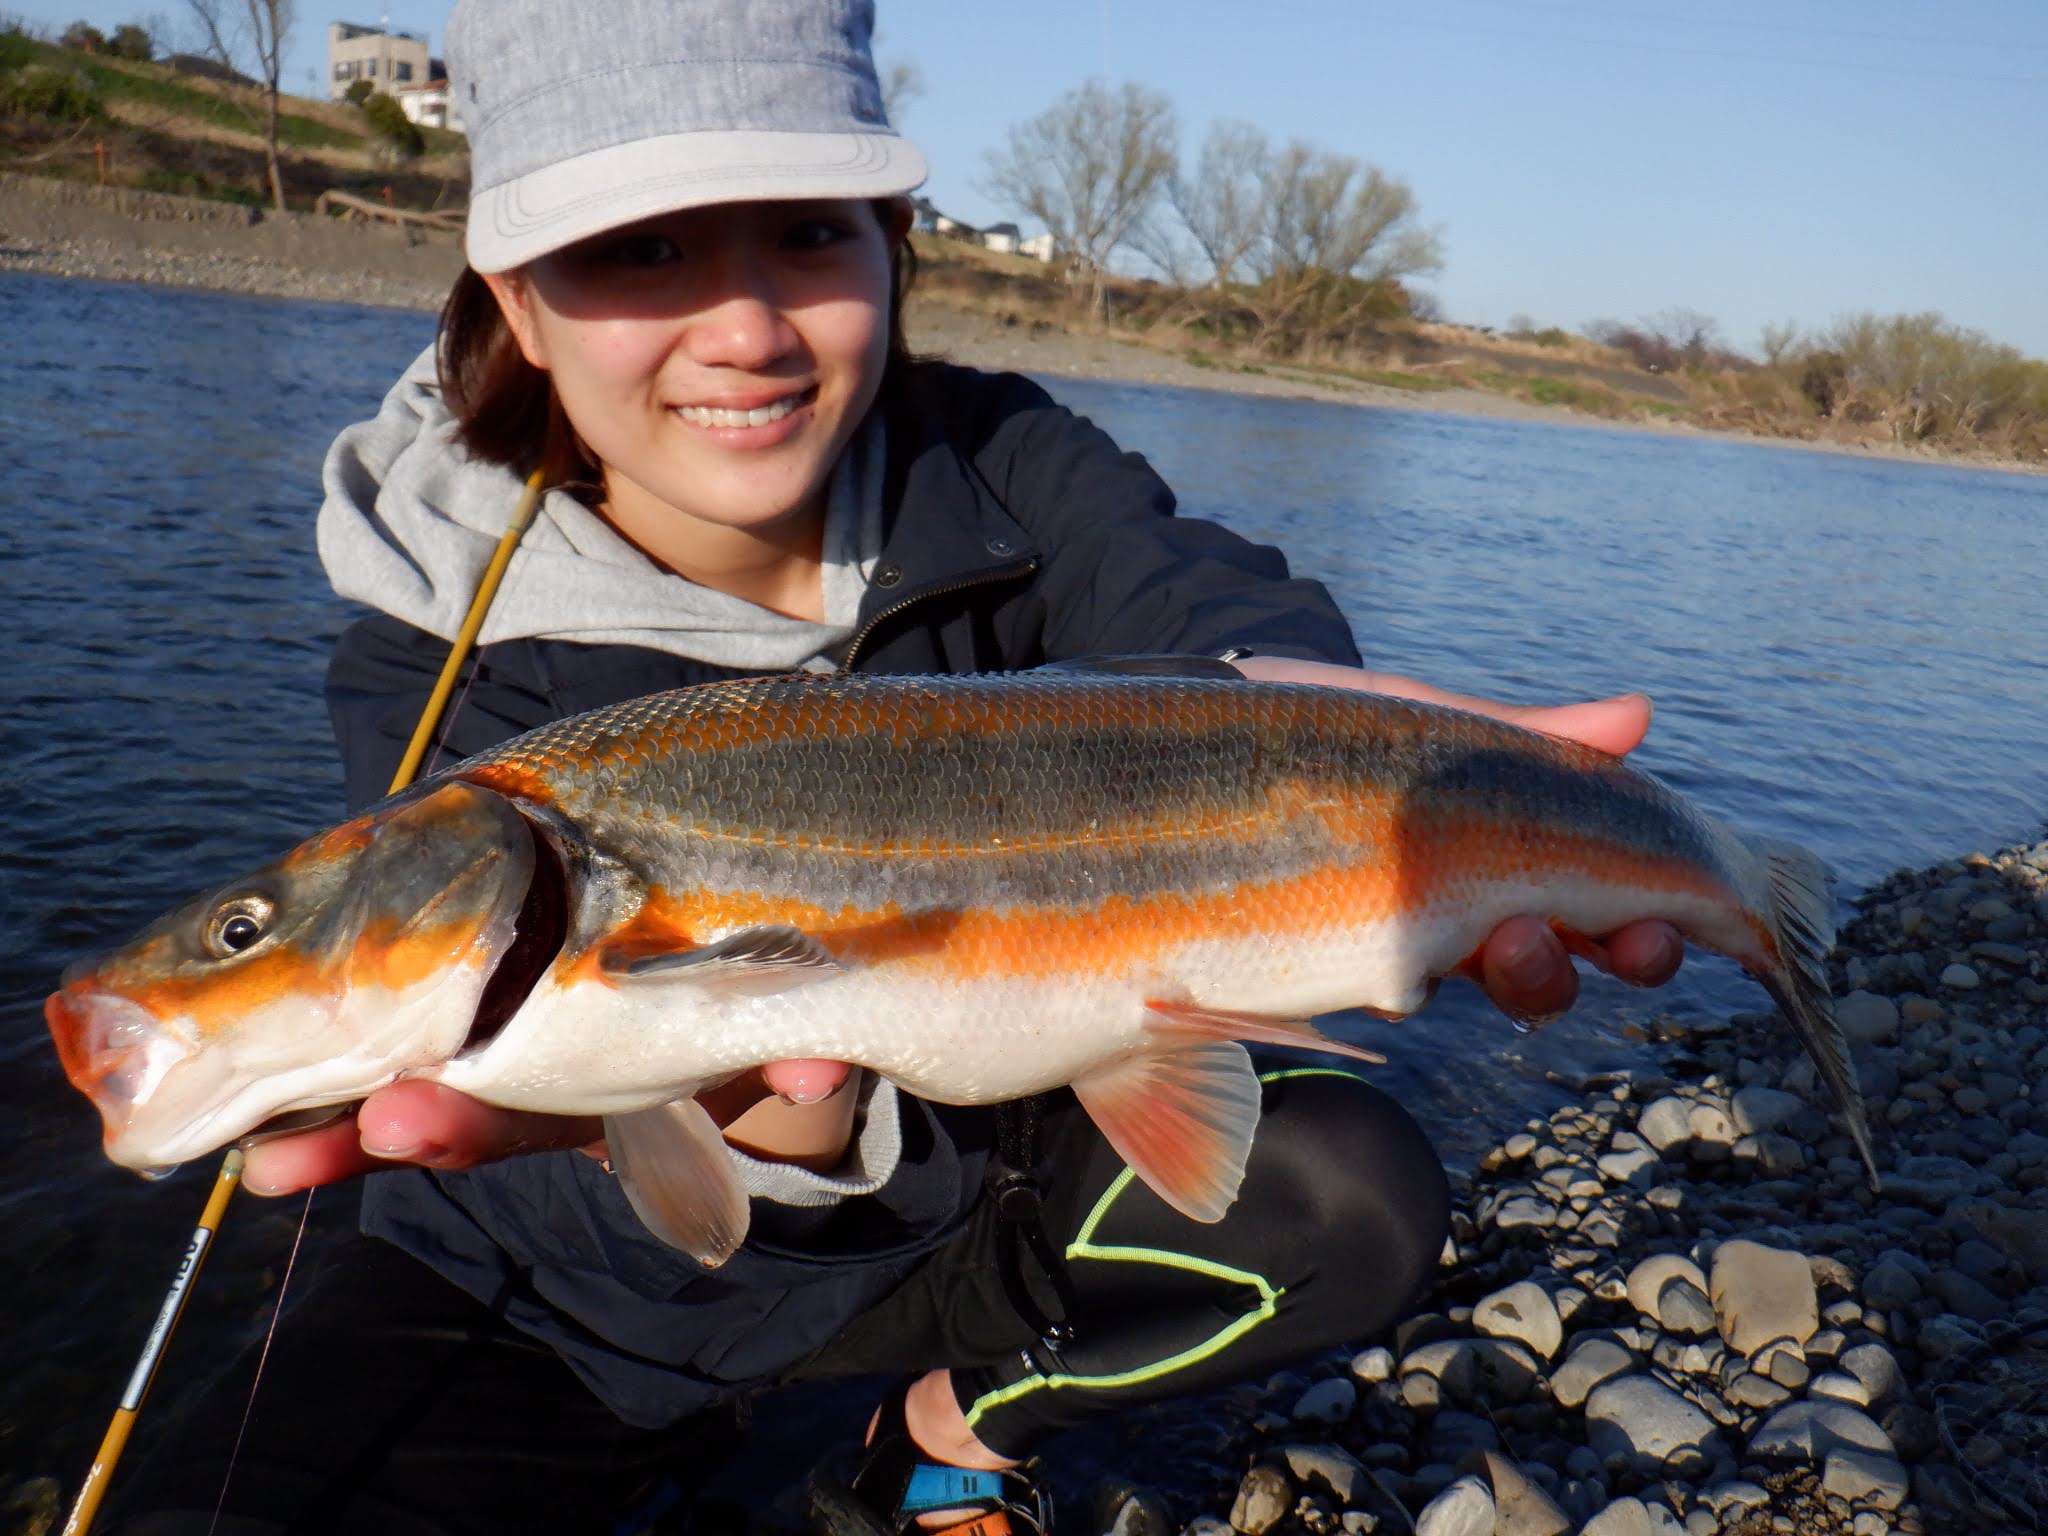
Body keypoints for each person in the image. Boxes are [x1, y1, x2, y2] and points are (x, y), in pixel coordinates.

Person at [103, 2, 1684, 1532]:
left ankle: (942, 1432)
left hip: (958, 1211)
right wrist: (750, 1118)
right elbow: (621, 1137)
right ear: (513, 299)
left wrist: (1298, 703)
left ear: (892, 250)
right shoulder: (420, 640)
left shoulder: (998, 457)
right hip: (543, 1291)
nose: (741, 327)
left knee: (1353, 1196)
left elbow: (1199, 601)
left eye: (808, 230)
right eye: (637, 249)